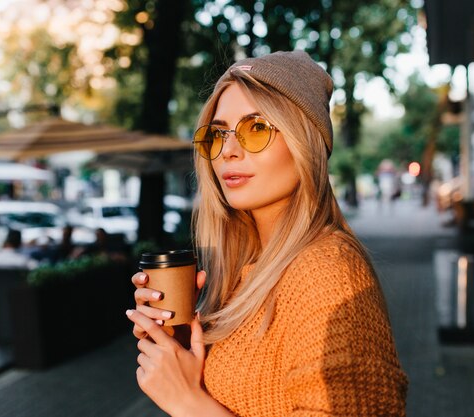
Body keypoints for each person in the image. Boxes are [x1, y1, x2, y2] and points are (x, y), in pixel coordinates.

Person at [126, 51, 408, 416]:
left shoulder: (327, 272)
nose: (228, 151)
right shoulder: (249, 272)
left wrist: (188, 403)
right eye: (218, 134)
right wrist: (180, 349)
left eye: (256, 128)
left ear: (304, 143)